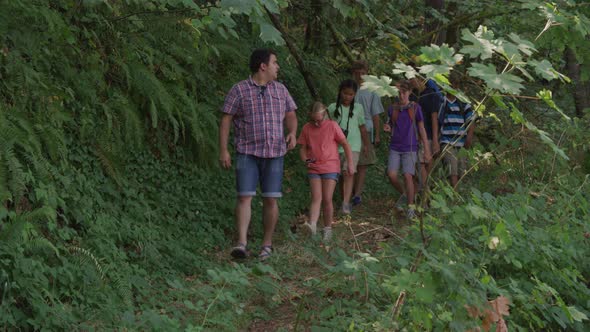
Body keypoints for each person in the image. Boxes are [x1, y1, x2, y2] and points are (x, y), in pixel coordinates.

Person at [219, 49, 297, 260]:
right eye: (275, 63)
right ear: (263, 66)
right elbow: (226, 118)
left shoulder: (281, 90)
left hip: (275, 153)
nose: (277, 66)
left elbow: (291, 114)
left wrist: (292, 132)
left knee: (271, 199)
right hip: (247, 152)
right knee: (244, 197)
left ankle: (266, 245)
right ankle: (242, 244)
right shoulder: (239, 90)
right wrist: (224, 149)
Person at [297, 102, 355, 241]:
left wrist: (350, 163)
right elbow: (302, 148)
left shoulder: (332, 126)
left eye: (319, 120)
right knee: (316, 197)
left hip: (330, 165)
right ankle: (312, 226)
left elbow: (345, 144)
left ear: (325, 115)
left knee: (327, 198)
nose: (316, 123)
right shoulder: (306, 128)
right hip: (314, 167)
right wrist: (305, 160)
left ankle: (327, 228)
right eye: (313, 120)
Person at [384, 80, 431, 219]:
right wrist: (388, 128)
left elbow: (421, 128)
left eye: (404, 92)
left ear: (410, 92)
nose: (401, 95)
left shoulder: (415, 108)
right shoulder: (393, 109)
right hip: (395, 146)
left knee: (407, 175)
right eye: (399, 93)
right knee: (392, 175)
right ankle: (405, 195)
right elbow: (391, 125)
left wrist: (427, 150)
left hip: (410, 147)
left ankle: (410, 207)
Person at [327, 79, 369, 215]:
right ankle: (344, 199)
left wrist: (366, 144)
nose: (347, 97)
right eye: (345, 93)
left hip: (353, 146)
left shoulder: (358, 108)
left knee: (348, 173)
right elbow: (327, 128)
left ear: (355, 95)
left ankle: (346, 203)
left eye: (351, 94)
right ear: (340, 92)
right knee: (339, 175)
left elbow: (362, 127)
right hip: (336, 147)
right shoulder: (332, 108)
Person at [350, 60, 385, 206]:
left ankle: (357, 194)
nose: (359, 76)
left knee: (362, 165)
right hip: (350, 128)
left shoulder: (372, 90)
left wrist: (377, 134)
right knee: (350, 161)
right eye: (357, 73)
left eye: (362, 73)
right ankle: (349, 192)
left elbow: (376, 114)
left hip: (366, 128)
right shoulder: (349, 88)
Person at [409, 78, 443, 192]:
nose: (409, 80)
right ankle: (424, 194)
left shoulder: (430, 94)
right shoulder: (412, 95)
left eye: (411, 78)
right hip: (415, 137)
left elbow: (434, 118)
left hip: (427, 135)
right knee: (419, 166)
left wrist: (435, 139)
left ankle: (425, 196)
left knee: (426, 165)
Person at [439, 90, 475, 189]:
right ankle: (455, 196)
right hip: (447, 141)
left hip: (461, 142)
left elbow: (471, 121)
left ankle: (457, 194)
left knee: (461, 170)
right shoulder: (442, 101)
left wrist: (469, 137)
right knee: (452, 170)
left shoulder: (463, 102)